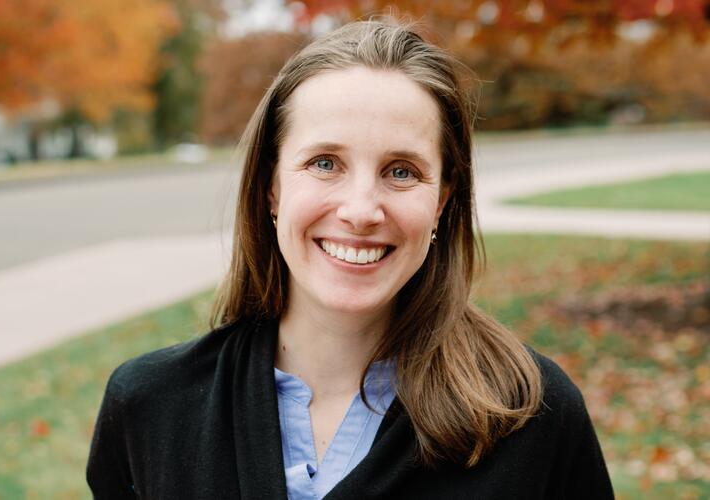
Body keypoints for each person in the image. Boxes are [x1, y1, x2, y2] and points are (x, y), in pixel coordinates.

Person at [87, 20, 614, 499]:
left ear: (443, 200)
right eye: (324, 163)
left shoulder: (533, 416)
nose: (361, 210)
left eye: (402, 171)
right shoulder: (149, 408)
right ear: (271, 187)